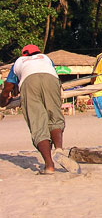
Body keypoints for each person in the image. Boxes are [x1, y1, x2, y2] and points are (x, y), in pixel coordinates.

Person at [0, 44, 80, 174]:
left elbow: (7, 88)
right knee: (55, 117)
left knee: (38, 123)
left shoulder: (19, 61)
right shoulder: (46, 58)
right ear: (38, 52)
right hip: (51, 79)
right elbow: (53, 75)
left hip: (29, 81)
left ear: (24, 54)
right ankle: (58, 149)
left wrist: (3, 102)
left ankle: (49, 165)